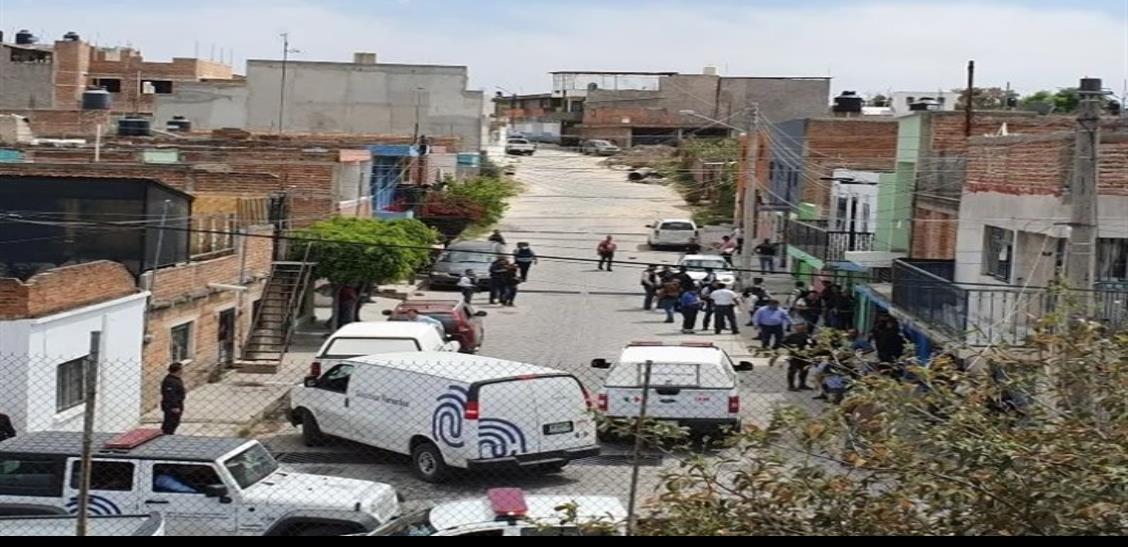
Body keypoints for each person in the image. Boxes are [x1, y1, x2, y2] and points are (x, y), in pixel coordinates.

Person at [781, 323, 815, 392]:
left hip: (805, 356)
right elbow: (782, 344)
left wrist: (810, 348)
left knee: (804, 371)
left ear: (805, 329)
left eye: (802, 329)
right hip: (794, 356)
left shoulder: (808, 337)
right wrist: (791, 347)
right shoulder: (791, 336)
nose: (800, 330)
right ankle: (791, 386)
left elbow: (813, 345)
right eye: (799, 329)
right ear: (796, 329)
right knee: (792, 371)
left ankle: (802, 384)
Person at [160, 363, 186, 435]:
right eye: (181, 369)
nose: (183, 371)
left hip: (178, 403)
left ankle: (168, 434)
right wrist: (174, 406)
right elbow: (170, 395)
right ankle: (166, 435)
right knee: (170, 423)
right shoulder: (170, 381)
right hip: (171, 406)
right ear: (178, 370)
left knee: (175, 422)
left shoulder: (176, 379)